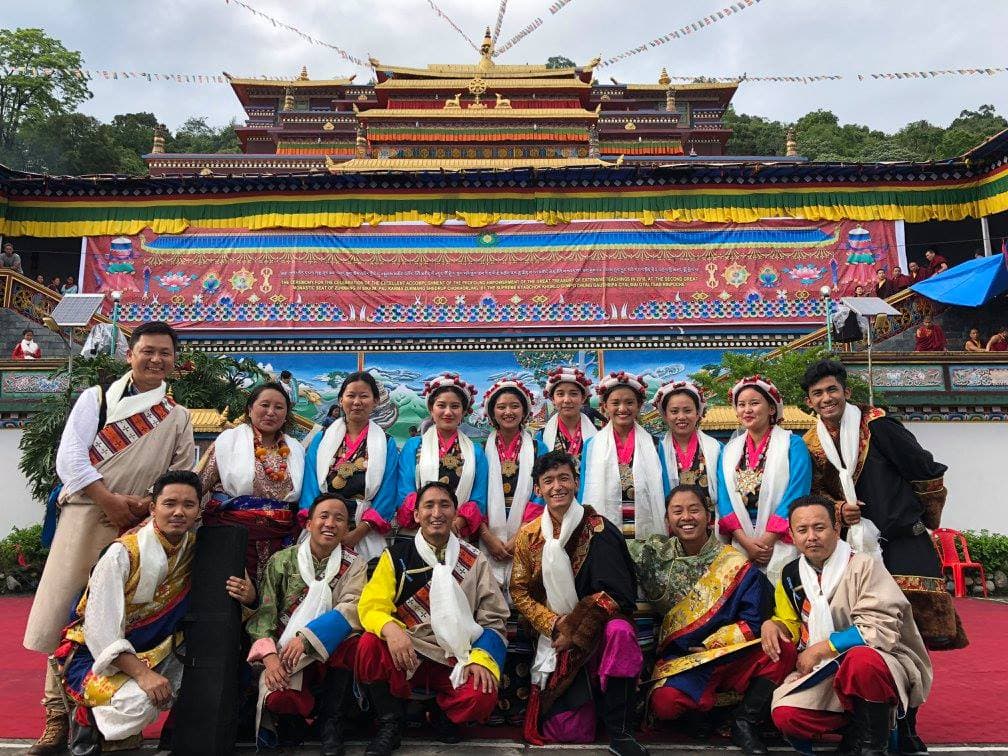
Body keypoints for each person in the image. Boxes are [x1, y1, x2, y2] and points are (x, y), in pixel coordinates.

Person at [23, 321, 194, 756]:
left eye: (165, 353)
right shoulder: (95, 399)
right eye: (148, 351)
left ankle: (113, 720)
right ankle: (57, 717)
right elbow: (70, 458)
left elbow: (180, 471)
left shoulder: (176, 416)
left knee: (124, 617)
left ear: (175, 361)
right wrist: (109, 499)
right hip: (86, 516)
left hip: (141, 524)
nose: (156, 360)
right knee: (66, 617)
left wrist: (141, 506)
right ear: (130, 354)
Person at [801, 359, 961, 752]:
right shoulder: (812, 444)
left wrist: (921, 518)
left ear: (846, 391)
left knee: (910, 636)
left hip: (905, 544)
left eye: (832, 390)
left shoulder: (880, 428)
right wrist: (839, 510)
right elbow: (815, 493)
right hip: (854, 552)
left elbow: (923, 470)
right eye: (818, 394)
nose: (826, 398)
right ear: (809, 401)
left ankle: (907, 726)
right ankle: (866, 725)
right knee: (862, 635)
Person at [630, 485, 793, 755]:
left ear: (709, 517)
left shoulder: (734, 563)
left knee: (781, 650)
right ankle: (704, 715)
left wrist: (714, 644)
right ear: (667, 520)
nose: (687, 517)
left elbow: (753, 621)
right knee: (666, 703)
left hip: (729, 656)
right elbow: (613, 548)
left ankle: (745, 721)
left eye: (694, 510)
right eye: (677, 511)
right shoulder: (653, 555)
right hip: (682, 662)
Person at [766, 496, 932, 756]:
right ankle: (855, 726)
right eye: (802, 530)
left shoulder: (864, 566)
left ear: (836, 528)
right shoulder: (791, 574)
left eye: (819, 528)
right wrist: (772, 625)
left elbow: (879, 629)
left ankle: (872, 745)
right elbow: (791, 622)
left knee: (861, 660)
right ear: (792, 535)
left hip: (880, 659)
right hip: (823, 668)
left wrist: (824, 648)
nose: (811, 537)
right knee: (787, 715)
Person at [356, 481, 509, 754]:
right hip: (407, 650)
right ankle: (390, 723)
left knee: (483, 693)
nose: (436, 512)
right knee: (369, 644)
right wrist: (391, 629)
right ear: (416, 515)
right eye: (428, 505)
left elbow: (494, 617)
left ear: (455, 513)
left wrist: (481, 658)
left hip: (454, 654)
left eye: (444, 505)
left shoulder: (474, 560)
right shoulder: (395, 556)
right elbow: (371, 605)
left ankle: (443, 714)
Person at [510, 451, 646, 755]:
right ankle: (590, 702)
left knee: (621, 632)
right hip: (554, 634)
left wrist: (575, 626)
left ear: (576, 482)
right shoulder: (528, 536)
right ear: (538, 489)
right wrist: (555, 624)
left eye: (564, 478)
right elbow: (519, 592)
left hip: (600, 630)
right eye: (548, 481)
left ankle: (621, 731)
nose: (557, 486)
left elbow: (617, 593)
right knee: (568, 733)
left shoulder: (599, 529)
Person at [57, 470, 201, 755]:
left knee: (206, 679)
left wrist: (246, 591)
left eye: (188, 505)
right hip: (98, 658)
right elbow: (101, 631)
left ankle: (127, 733)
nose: (178, 512)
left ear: (199, 511)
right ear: (153, 507)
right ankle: (88, 719)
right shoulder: (123, 553)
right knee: (141, 702)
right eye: (169, 503)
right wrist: (143, 675)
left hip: (159, 651)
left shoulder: (195, 548)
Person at [244, 494, 367, 753]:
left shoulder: (355, 564)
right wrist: (269, 657)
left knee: (355, 645)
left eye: (339, 519)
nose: (330, 523)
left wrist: (307, 638)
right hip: (285, 649)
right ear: (308, 524)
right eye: (323, 516)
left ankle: (331, 724)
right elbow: (265, 613)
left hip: (328, 647)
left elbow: (351, 607)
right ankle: (291, 723)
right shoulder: (282, 561)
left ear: (347, 528)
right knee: (280, 696)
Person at [478, 379, 549, 725]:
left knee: (525, 617)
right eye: (501, 407)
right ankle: (490, 696)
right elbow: (474, 496)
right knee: (488, 617)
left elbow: (542, 493)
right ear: (492, 413)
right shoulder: (479, 450)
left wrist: (521, 535)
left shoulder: (538, 447)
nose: (508, 412)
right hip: (485, 542)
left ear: (525, 411)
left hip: (529, 541)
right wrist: (489, 537)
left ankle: (523, 700)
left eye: (515, 406)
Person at [197, 382, 305, 584]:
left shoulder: (295, 449)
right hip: (233, 538)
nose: (271, 412)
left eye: (279, 407)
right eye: (264, 405)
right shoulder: (228, 442)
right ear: (250, 408)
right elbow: (199, 485)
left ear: (286, 413)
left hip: (281, 542)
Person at [716, 375, 811, 586]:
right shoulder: (729, 450)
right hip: (742, 539)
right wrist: (745, 541)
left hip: (780, 538)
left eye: (754, 403)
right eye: (741, 405)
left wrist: (767, 540)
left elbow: (797, 492)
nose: (747, 410)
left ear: (771, 409)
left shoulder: (793, 445)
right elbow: (724, 498)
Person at [301, 372, 399, 563]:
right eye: (351, 395)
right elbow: (310, 486)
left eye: (364, 396)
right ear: (340, 400)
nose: (357, 402)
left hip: (364, 531)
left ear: (376, 401)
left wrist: (358, 532)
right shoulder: (321, 440)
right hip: (321, 529)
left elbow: (388, 492)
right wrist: (318, 527)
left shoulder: (386, 444)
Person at [395, 372, 488, 541]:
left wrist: (457, 522)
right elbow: (404, 490)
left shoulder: (475, 452)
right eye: (441, 405)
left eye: (455, 406)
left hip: (456, 533)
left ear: (463, 411)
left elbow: (479, 497)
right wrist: (430, 518)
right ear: (431, 409)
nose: (448, 412)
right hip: (417, 532)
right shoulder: (414, 446)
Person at [579, 371, 666, 540]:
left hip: (645, 524)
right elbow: (585, 488)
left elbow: (663, 489)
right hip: (607, 526)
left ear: (639, 406)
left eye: (629, 403)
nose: (622, 409)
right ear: (604, 406)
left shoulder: (654, 445)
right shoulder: (592, 445)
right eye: (615, 403)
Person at [653, 380, 721, 506]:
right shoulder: (656, 451)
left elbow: (724, 491)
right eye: (674, 411)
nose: (681, 417)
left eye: (687, 410)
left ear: (697, 413)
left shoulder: (716, 449)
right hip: (669, 522)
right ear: (665, 416)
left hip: (709, 522)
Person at [534, 366, 597, 468]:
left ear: (583, 398)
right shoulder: (541, 437)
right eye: (560, 394)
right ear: (552, 399)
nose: (567, 400)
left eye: (573, 394)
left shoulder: (598, 436)